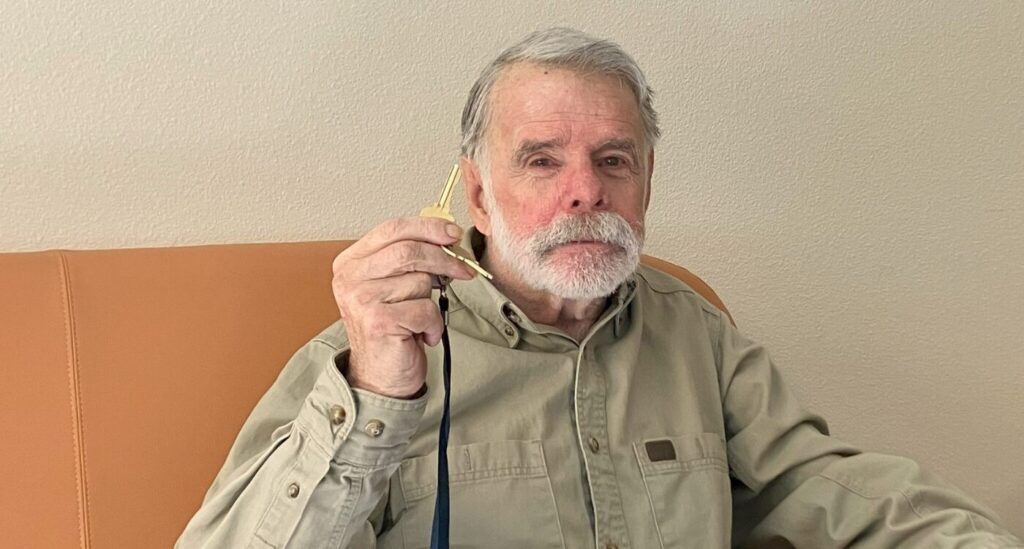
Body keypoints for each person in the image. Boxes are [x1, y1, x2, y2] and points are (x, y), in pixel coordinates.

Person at [177, 28, 1021, 548]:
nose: (585, 190)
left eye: (613, 160)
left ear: (646, 183)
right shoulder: (371, 352)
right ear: (476, 193)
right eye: (542, 159)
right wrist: (373, 396)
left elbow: (828, 489)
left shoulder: (694, 332)